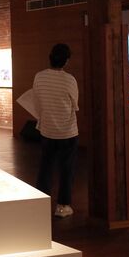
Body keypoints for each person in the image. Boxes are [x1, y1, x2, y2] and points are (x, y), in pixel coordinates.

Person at [33, 43, 79, 218]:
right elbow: (75, 105)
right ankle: (63, 206)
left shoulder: (39, 77)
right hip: (68, 132)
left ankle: (40, 203)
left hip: (47, 130)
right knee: (66, 169)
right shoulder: (70, 80)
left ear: (50, 57)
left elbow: (37, 103)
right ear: (66, 61)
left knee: (45, 167)